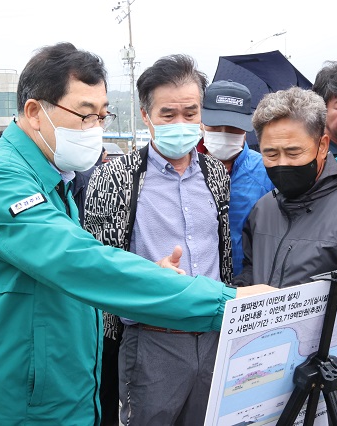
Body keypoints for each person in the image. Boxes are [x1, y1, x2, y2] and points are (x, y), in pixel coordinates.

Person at [0, 42, 271, 426]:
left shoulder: (52, 177)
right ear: (35, 112)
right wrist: (224, 301)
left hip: (61, 384)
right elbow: (82, 262)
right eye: (85, 115)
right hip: (17, 398)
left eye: (102, 116)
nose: (95, 129)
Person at [84, 54, 233, 426]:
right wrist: (150, 275)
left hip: (215, 334)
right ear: (146, 115)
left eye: (191, 112)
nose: (181, 123)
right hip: (152, 341)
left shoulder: (215, 173)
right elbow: (96, 269)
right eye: (168, 114)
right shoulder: (116, 178)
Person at [233, 86, 337, 287]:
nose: (283, 163)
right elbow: (252, 269)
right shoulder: (263, 209)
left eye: (293, 153)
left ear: (322, 146)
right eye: (271, 154)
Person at [200, 79, 274, 275]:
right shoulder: (185, 169)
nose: (224, 134)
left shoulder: (267, 171)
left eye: (233, 128)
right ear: (202, 122)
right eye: (216, 126)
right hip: (199, 282)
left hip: (249, 283)